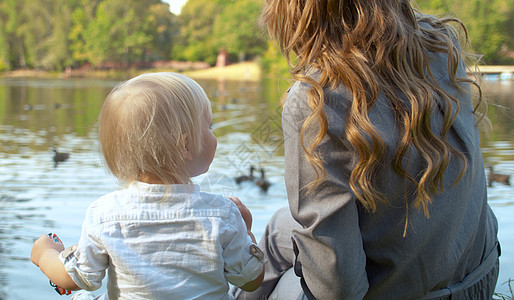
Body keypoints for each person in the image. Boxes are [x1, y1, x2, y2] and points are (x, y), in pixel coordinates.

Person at [236, 0, 500, 299]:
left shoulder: (316, 100)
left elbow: (337, 290)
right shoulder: (442, 43)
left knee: (300, 265)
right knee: (276, 232)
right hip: (479, 278)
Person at [31, 72, 265, 299]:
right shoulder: (222, 214)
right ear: (185, 145)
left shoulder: (104, 214)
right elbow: (250, 280)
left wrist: (45, 254)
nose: (214, 135)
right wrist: (246, 232)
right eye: (210, 127)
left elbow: (75, 277)